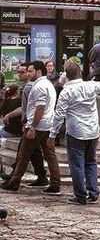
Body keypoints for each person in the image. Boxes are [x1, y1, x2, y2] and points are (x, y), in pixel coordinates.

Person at [49, 60, 100, 205]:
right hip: (93, 130)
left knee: (76, 164)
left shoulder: (66, 92)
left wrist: (52, 134)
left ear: (67, 76)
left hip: (75, 131)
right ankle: (93, 193)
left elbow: (59, 115)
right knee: (90, 162)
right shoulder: (90, 86)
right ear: (80, 73)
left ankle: (80, 195)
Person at [0, 60, 61, 195]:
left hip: (39, 125)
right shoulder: (48, 84)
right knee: (49, 154)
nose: (28, 73)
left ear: (38, 71)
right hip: (47, 124)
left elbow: (39, 108)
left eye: (30, 71)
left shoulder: (39, 87)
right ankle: (55, 182)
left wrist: (32, 127)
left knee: (24, 154)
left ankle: (14, 182)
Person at [0, 63, 47, 186]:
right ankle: (42, 176)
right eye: (18, 72)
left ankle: (14, 180)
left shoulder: (30, 87)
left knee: (24, 152)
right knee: (34, 151)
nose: (19, 74)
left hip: (33, 124)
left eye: (23, 72)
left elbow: (34, 108)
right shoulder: (26, 87)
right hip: (31, 123)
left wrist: (29, 124)